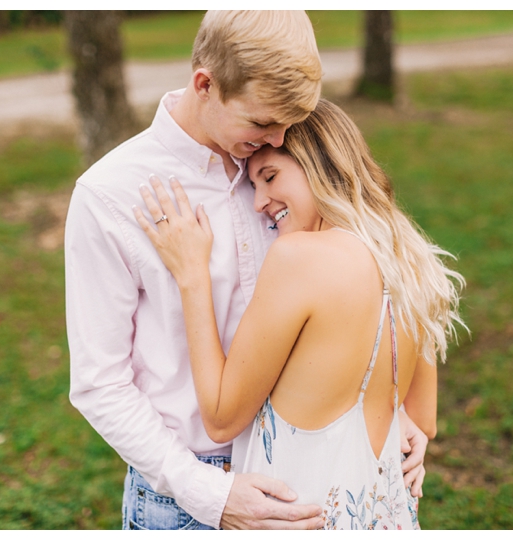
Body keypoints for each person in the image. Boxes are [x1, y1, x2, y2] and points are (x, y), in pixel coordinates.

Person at [65, 11, 429, 531]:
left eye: (288, 123)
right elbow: (100, 384)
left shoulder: (288, 166)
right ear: (205, 84)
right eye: (261, 123)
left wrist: (391, 412)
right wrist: (208, 493)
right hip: (185, 498)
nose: (277, 137)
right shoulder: (110, 197)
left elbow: (368, 290)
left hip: (309, 473)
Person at [133, 98, 465, 530]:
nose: (261, 203)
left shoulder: (298, 258)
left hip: (299, 520)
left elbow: (219, 417)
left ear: (323, 164)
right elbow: (423, 421)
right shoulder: (412, 262)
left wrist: (192, 275)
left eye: (270, 177)